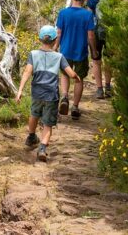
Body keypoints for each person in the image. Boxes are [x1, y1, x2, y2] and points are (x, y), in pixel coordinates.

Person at [15, 25, 82, 162]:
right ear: (55, 40)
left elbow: (27, 72)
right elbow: (69, 73)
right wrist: (76, 77)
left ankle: (31, 136)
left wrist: (20, 90)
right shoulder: (59, 57)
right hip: (51, 95)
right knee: (48, 123)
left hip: (37, 93)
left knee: (34, 114)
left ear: (40, 39)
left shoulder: (33, 54)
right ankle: (42, 148)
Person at [55, 0, 97, 120]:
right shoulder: (87, 15)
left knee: (65, 75)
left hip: (65, 51)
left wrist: (55, 47)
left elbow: (59, 33)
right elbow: (90, 36)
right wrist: (94, 50)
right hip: (81, 52)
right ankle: (75, 107)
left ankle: (65, 97)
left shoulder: (63, 13)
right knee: (79, 79)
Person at [86, 0, 112, 99]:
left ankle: (99, 90)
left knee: (96, 61)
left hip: (96, 33)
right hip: (110, 33)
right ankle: (108, 88)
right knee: (109, 60)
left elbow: (89, 17)